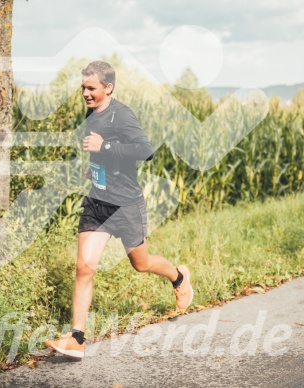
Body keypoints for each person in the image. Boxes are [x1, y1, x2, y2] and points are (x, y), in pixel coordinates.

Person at [44, 60, 193, 359]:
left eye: (92, 88)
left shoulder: (122, 115)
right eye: (83, 87)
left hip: (125, 205)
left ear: (108, 87)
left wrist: (105, 150)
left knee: (141, 263)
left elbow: (145, 150)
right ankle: (77, 337)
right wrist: (96, 167)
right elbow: (100, 149)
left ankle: (178, 277)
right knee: (84, 267)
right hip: (97, 202)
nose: (85, 93)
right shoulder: (91, 113)